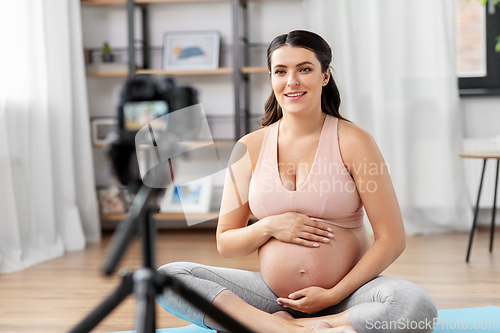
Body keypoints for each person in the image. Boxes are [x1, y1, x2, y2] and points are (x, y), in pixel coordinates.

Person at [157, 30, 437, 333]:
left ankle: (290, 327)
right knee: (168, 277)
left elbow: (392, 239)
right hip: (270, 297)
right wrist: (269, 226)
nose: (292, 81)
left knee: (414, 305)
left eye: (304, 69)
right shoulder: (248, 147)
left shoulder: (354, 141)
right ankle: (292, 329)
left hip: (349, 295)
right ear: (271, 77)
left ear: (325, 75)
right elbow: (226, 242)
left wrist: (333, 294)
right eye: (281, 71)